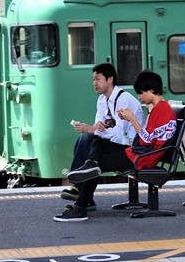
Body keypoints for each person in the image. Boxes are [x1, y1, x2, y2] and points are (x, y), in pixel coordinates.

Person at [53, 69, 177, 222]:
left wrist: (132, 119)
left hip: (143, 157)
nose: (139, 97)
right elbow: (147, 138)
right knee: (98, 142)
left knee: (96, 168)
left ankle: (81, 206)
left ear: (151, 90)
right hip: (139, 152)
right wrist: (127, 118)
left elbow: (147, 141)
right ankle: (89, 166)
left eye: (141, 93)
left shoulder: (163, 111)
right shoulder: (158, 109)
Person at [60, 62, 144, 210]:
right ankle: (84, 195)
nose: (94, 83)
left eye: (98, 79)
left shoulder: (124, 99)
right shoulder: (102, 100)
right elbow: (98, 127)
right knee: (85, 139)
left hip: (128, 146)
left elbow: (120, 134)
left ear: (110, 79)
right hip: (113, 143)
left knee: (88, 141)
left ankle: (80, 190)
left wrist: (92, 130)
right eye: (93, 80)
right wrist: (92, 128)